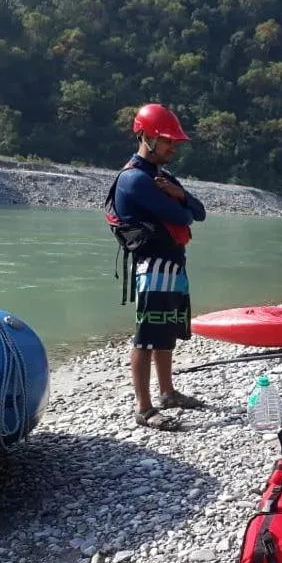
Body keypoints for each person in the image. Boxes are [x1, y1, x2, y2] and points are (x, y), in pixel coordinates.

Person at [105, 103, 206, 431]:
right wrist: (182, 202)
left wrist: (180, 193)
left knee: (165, 335)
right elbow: (184, 216)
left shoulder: (161, 177)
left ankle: (167, 392)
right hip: (153, 267)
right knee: (146, 337)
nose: (172, 147)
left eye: (173, 142)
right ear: (145, 136)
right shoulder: (134, 180)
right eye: (166, 141)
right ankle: (144, 408)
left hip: (172, 266)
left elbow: (199, 211)